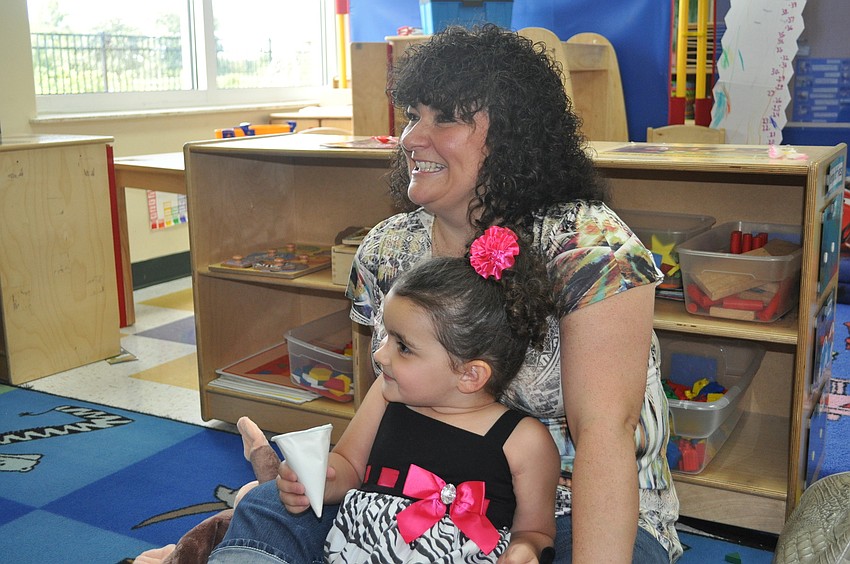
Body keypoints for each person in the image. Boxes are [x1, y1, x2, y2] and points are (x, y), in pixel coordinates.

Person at [141, 23, 683, 563]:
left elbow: (605, 437)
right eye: (412, 117)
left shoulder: (589, 249)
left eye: (443, 118)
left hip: (564, 507)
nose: (411, 139)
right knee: (270, 511)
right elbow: (382, 409)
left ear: (514, 136)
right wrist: (321, 478)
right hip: (410, 492)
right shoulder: (387, 250)